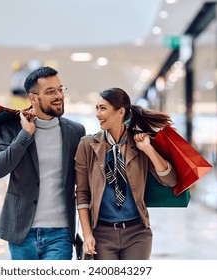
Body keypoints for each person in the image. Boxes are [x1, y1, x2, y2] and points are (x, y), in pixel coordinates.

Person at [0, 66, 86, 260]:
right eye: (50, 92)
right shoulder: (11, 127)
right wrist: (25, 135)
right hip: (21, 231)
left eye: (60, 89)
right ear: (33, 98)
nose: (59, 95)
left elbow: (84, 181)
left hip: (60, 233)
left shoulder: (76, 132)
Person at [75, 87, 178, 260]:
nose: (98, 113)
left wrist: (148, 149)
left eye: (103, 108)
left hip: (137, 234)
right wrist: (87, 235)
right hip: (101, 235)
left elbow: (170, 180)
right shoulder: (87, 145)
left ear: (120, 111)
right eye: (97, 108)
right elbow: (82, 194)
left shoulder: (140, 143)